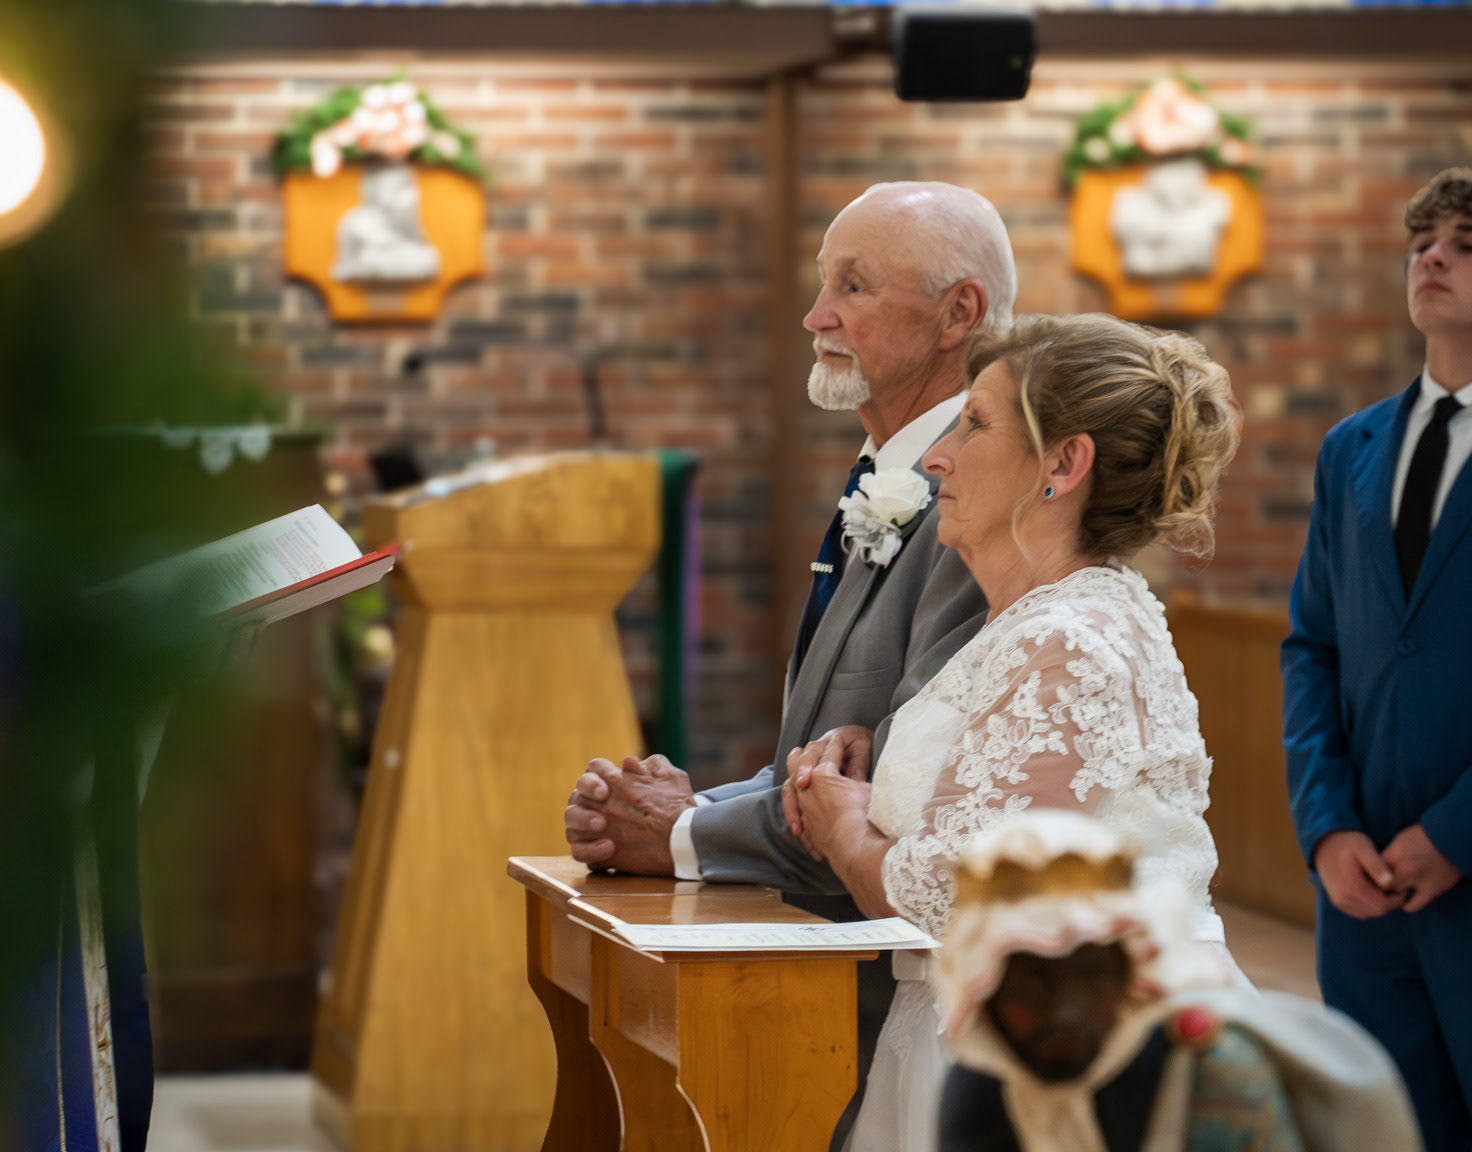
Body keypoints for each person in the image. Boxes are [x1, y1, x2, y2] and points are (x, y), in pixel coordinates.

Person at [562, 181, 1013, 1140]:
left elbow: (898, 785)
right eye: (822, 283)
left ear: (958, 314)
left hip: (894, 984)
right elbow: (823, 756)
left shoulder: (981, 512)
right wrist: (690, 810)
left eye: (853, 286)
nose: (817, 316)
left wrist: (682, 836)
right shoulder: (886, 479)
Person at [787, 311, 1244, 1150]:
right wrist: (871, 763)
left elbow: (958, 893)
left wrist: (844, 825)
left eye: (975, 423)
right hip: (974, 1032)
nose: (936, 457)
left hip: (1061, 1064)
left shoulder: (1069, 641)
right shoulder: (1040, 623)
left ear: (1063, 465)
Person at [1281, 167, 1472, 1152]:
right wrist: (1325, 828)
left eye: (1464, 245)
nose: (1431, 258)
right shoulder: (1349, 449)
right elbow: (1312, 648)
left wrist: (1456, 832)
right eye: (1421, 242)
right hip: (1360, 888)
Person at [935, 810, 1420, 1152]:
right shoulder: (985, 1086)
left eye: (1089, 978)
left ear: (1129, 972)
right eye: (1029, 990)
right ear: (985, 991)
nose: (1065, 1013)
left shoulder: (1207, 1068)